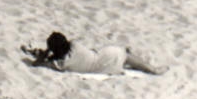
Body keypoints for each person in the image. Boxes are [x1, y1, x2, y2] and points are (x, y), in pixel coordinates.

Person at [31, 31, 167, 76]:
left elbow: (38, 64)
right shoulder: (75, 45)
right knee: (124, 55)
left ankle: (150, 68)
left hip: (98, 66)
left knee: (124, 57)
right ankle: (152, 69)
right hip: (101, 57)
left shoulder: (61, 63)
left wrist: (46, 52)